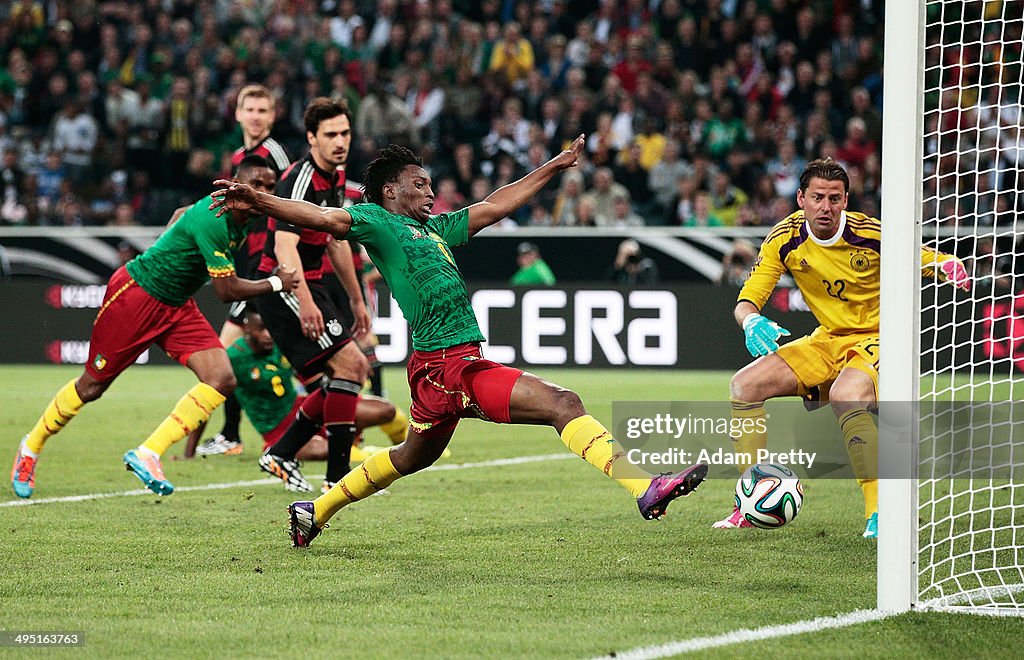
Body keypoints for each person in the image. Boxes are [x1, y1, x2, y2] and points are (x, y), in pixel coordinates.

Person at [211, 136, 709, 548]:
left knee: (411, 457)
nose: (431, 192)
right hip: (449, 368)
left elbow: (496, 205)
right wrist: (258, 201)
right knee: (564, 403)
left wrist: (554, 167)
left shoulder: (434, 229)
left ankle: (313, 511)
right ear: (389, 190)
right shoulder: (375, 221)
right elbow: (323, 219)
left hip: (445, 366)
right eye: (420, 184)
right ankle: (645, 488)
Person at [10, 156, 298, 499]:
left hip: (176, 305)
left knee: (221, 378)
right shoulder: (216, 219)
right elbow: (226, 291)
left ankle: (148, 453)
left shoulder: (240, 215)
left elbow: (180, 216)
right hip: (137, 297)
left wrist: (170, 244)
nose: (263, 192)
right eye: (257, 184)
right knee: (91, 387)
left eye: (269, 187)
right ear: (237, 183)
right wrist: (277, 283)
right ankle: (30, 447)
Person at [716, 158, 970, 538]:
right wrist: (751, 320)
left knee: (845, 394)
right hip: (829, 338)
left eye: (835, 198)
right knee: (744, 386)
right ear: (801, 198)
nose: (826, 207)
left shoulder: (869, 233)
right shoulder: (784, 239)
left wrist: (948, 264)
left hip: (879, 337)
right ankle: (749, 501)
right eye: (817, 197)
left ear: (846, 200)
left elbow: (922, 256)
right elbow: (747, 299)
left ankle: (881, 514)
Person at [247, 97, 395, 495]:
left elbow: (336, 243)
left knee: (350, 371)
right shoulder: (300, 178)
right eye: (330, 134)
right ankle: (336, 475)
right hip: (284, 287)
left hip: (312, 285)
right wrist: (306, 302)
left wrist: (358, 300)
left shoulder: (335, 175)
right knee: (350, 365)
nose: (340, 141)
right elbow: (284, 246)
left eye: (345, 133)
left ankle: (282, 452)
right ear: (312, 138)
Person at [195, 84, 293, 457]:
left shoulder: (275, 155)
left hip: (268, 268)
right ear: (237, 114)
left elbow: (291, 206)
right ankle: (233, 434)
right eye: (249, 109)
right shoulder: (241, 155)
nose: (255, 116)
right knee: (233, 356)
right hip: (250, 267)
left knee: (224, 355)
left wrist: (276, 261)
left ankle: (230, 436)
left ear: (272, 116)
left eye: (262, 110)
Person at [201, 310, 406, 465]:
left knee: (386, 410)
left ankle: (411, 449)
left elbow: (312, 377)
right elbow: (206, 395)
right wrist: (191, 449)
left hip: (306, 409)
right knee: (327, 450)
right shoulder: (234, 358)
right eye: (261, 329)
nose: (267, 335)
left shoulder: (281, 345)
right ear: (247, 329)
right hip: (278, 431)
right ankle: (376, 456)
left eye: (269, 328)